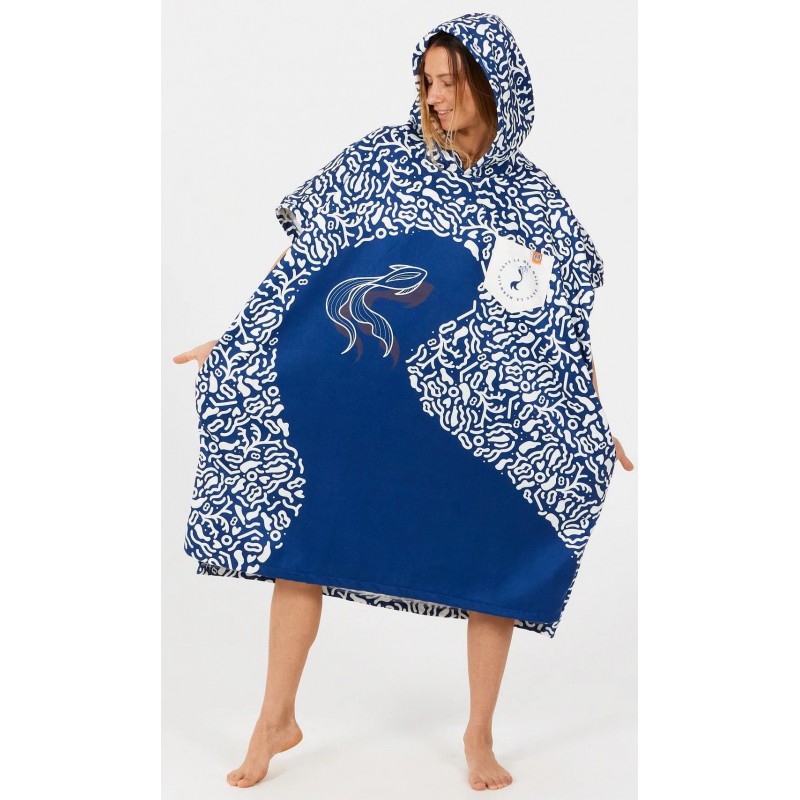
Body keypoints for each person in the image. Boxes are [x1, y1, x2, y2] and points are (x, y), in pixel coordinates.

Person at [174, 13, 634, 792]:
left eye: (451, 80)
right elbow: (305, 258)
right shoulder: (381, 160)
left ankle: (478, 735)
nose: (435, 96)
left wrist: (590, 411)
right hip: (354, 399)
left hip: (447, 416)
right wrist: (244, 332)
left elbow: (561, 322)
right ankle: (273, 719)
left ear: (493, 83)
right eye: (427, 80)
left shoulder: (535, 202)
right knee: (304, 534)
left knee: (499, 543)